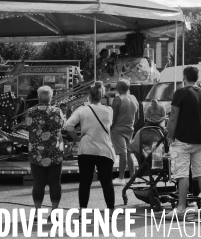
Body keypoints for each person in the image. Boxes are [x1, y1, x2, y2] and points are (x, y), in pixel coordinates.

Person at [64, 81, 116, 213]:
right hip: (104, 149)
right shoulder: (108, 111)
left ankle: (82, 211)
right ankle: (110, 211)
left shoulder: (82, 110)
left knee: (85, 182)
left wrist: (76, 138)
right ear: (102, 95)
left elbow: (67, 126)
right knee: (107, 182)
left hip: (86, 149)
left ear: (89, 95)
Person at [166, 66, 201, 216]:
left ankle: (181, 208)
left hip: (182, 139)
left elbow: (173, 116)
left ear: (184, 77)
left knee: (182, 174)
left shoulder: (180, 93)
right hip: (200, 139)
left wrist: (170, 136)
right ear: (197, 77)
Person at [25, 86, 66, 213]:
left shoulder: (31, 111)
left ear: (38, 97)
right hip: (55, 153)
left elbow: (28, 126)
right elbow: (63, 125)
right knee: (55, 183)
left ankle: (37, 211)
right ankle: (54, 212)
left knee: (38, 183)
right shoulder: (57, 111)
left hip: (36, 153)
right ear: (51, 97)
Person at [111, 80, 139, 185]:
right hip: (129, 128)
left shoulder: (117, 99)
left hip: (118, 129)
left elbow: (113, 118)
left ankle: (121, 178)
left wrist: (110, 128)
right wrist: (131, 124)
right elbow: (138, 116)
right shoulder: (134, 98)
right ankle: (133, 177)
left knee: (122, 153)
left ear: (118, 88)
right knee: (129, 153)